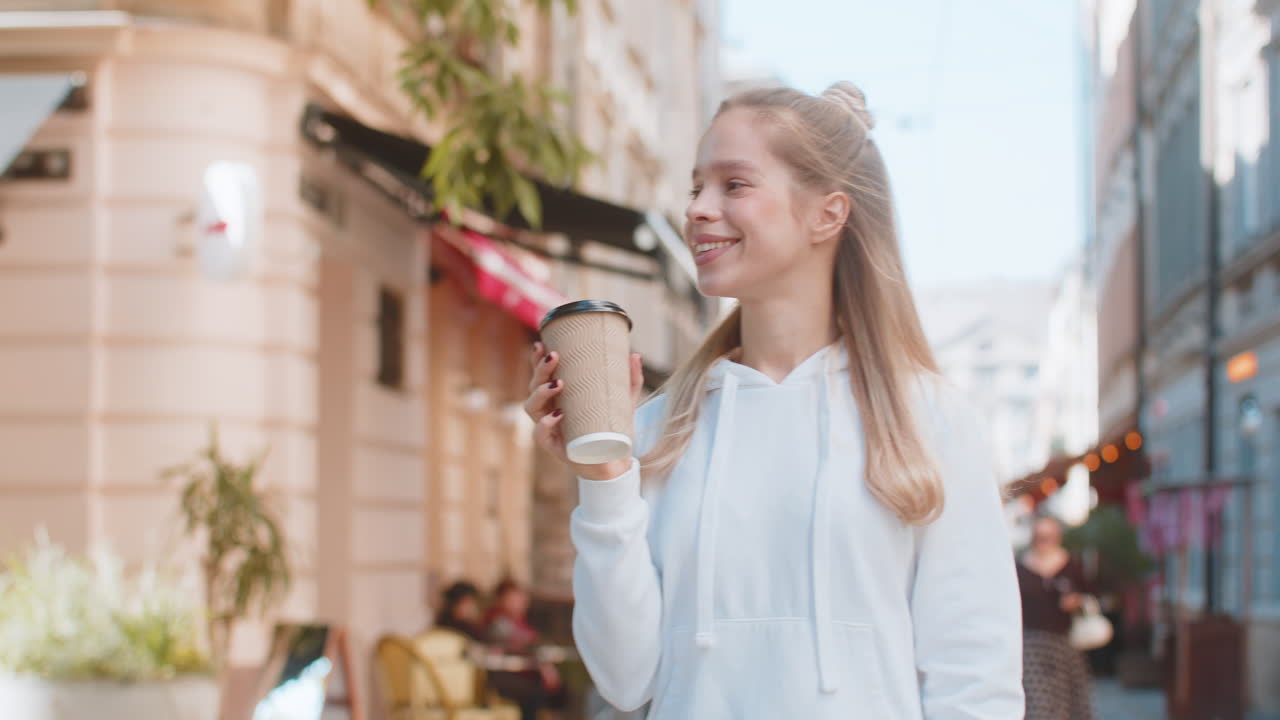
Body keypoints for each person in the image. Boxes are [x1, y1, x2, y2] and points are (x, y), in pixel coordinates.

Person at [524, 81, 1023, 718]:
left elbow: (975, 681)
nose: (699, 209)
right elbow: (625, 681)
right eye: (695, 187)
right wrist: (603, 479)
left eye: (734, 185)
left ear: (828, 213)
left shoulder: (927, 421)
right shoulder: (655, 431)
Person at [1018, 515, 1095, 719]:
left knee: (1065, 702)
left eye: (1048, 537)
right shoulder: (1020, 567)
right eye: (1039, 537)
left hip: (1062, 642)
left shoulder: (1071, 565)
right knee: (1038, 702)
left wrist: (1075, 601)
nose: (1043, 542)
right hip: (1031, 644)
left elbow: (1089, 593)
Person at [483, 578, 568, 720]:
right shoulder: (498, 621)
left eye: (521, 598)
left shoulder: (521, 623)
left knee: (558, 692)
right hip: (504, 677)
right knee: (534, 693)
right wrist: (544, 667)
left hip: (522, 674)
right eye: (515, 598)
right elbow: (522, 644)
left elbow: (534, 642)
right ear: (502, 599)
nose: (521, 602)